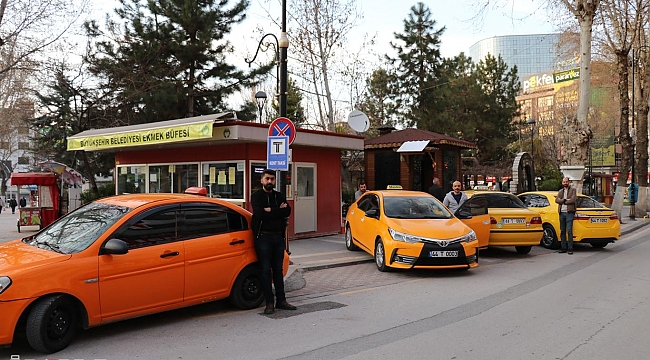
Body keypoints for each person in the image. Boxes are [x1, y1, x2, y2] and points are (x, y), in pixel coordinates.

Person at [251, 169, 297, 315]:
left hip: (278, 237)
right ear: (262, 180)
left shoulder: (279, 195)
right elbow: (260, 214)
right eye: (267, 179)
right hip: (263, 237)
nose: (270, 181)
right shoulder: (256, 196)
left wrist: (271, 210)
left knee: (278, 270)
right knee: (265, 270)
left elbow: (287, 211)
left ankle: (281, 300)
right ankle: (269, 303)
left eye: (272, 179)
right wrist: (277, 211)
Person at [555, 177, 576, 255]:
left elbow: (573, 200)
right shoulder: (560, 191)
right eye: (564, 182)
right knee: (562, 230)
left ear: (569, 182)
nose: (565, 183)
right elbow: (557, 200)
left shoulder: (573, 190)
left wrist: (564, 202)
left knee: (569, 230)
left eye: (566, 182)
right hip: (561, 213)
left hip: (569, 212)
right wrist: (564, 200)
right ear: (562, 183)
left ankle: (570, 248)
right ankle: (563, 247)